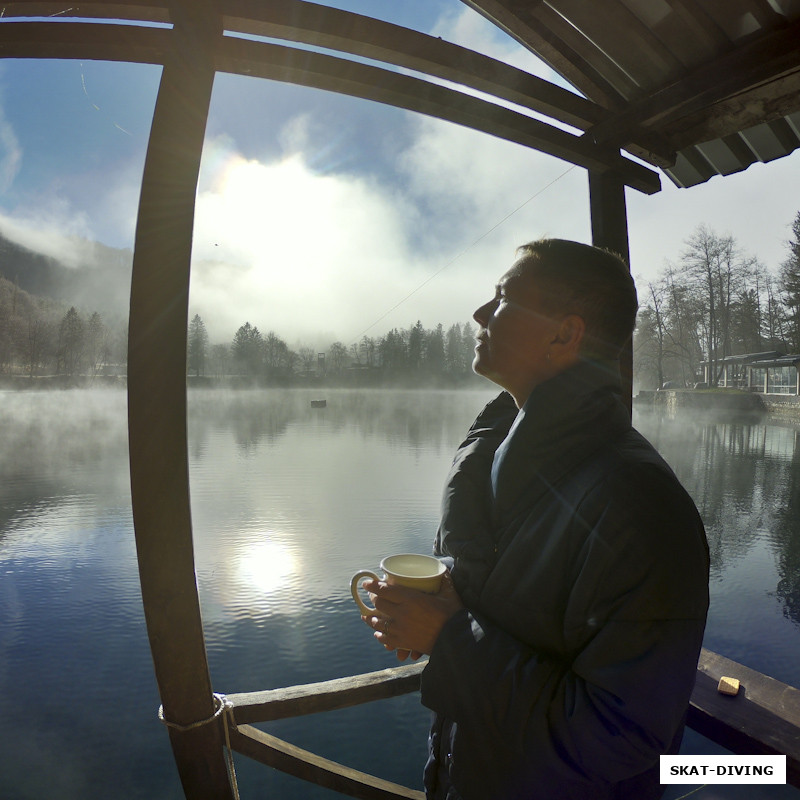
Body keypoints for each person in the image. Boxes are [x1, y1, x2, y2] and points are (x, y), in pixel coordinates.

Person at [360, 238, 710, 800]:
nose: (479, 313)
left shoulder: (640, 504)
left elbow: (622, 738)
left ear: (564, 334)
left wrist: (449, 638)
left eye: (501, 298)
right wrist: (444, 602)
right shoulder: (497, 459)